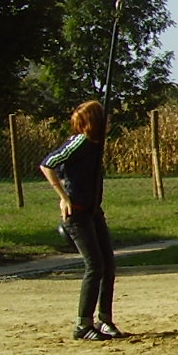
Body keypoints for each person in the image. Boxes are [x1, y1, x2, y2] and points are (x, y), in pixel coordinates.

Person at [40, 100, 126, 341]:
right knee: (95, 266)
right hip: (77, 214)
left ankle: (105, 320)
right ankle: (83, 325)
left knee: (108, 265)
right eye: (105, 117)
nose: (109, 121)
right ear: (94, 121)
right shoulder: (79, 142)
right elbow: (47, 164)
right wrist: (63, 196)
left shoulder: (97, 144)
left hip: (93, 212)